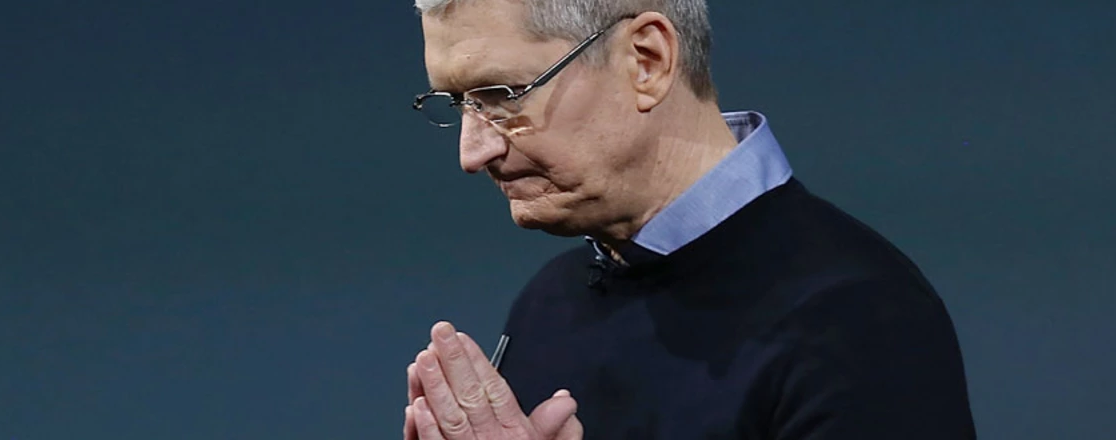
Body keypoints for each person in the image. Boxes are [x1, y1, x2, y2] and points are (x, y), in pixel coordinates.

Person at [399, 0, 978, 439]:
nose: (472, 154)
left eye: (504, 95)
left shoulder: (859, 318)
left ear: (647, 61)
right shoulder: (549, 303)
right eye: (458, 105)